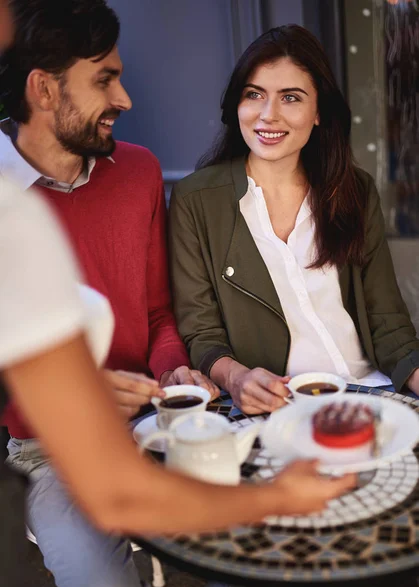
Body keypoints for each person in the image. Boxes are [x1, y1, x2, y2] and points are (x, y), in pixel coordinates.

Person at [0, 6, 356, 587]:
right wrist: (62, 389)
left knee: (263, 560)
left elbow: (162, 315)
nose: (127, 98)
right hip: (48, 452)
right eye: (104, 79)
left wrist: (173, 368)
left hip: (165, 423)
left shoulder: (137, 171)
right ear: (43, 88)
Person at [169, 24, 419, 421]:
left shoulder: (353, 190)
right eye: (255, 95)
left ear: (319, 112)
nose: (269, 115)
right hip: (276, 408)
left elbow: (387, 319)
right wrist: (237, 379)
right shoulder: (195, 201)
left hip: (372, 392)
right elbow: (202, 334)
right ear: (237, 104)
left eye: (291, 98)